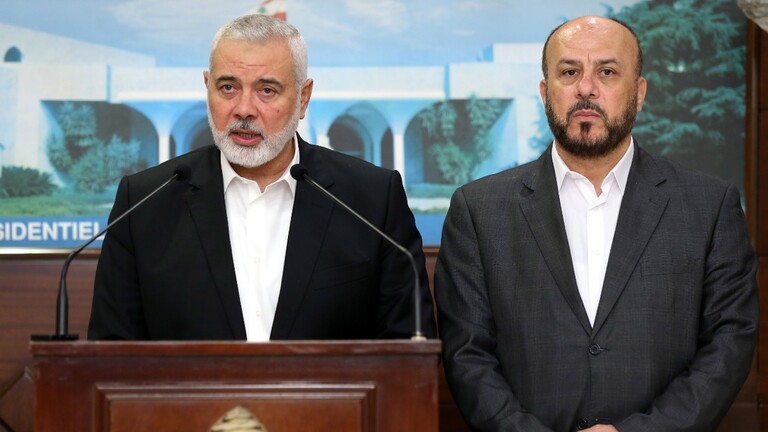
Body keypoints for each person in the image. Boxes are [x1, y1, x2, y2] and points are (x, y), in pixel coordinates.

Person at [434, 16, 758, 432]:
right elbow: (467, 355)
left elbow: (729, 342)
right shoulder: (479, 210)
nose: (586, 88)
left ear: (639, 93)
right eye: (569, 72)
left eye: (607, 72)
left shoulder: (708, 206)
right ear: (545, 92)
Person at [88, 14, 436, 341]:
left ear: (303, 98)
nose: (244, 109)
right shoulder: (145, 203)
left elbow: (409, 349)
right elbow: (110, 353)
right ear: (207, 88)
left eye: (267, 90)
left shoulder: (371, 199)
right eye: (228, 87)